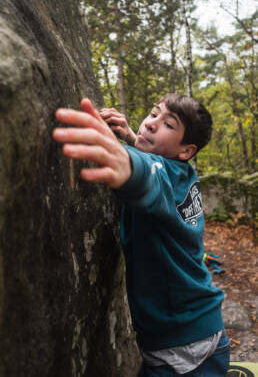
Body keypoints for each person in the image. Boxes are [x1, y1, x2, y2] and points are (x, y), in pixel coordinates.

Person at [53, 94, 230, 376]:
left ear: (186, 151)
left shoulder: (163, 176)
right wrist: (129, 138)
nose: (150, 124)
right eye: (153, 113)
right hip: (196, 329)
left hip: (183, 349)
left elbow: (149, 174)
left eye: (168, 125)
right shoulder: (184, 174)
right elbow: (157, 166)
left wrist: (124, 160)